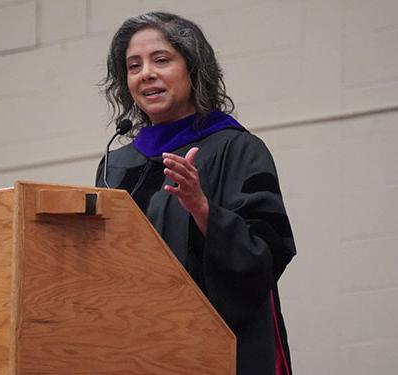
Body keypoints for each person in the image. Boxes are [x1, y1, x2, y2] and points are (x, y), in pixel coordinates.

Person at [95, 12, 296, 375]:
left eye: (161, 60)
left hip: (219, 349)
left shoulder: (236, 149)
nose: (146, 74)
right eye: (133, 65)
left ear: (193, 68)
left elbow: (268, 253)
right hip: (137, 351)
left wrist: (203, 210)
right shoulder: (116, 165)